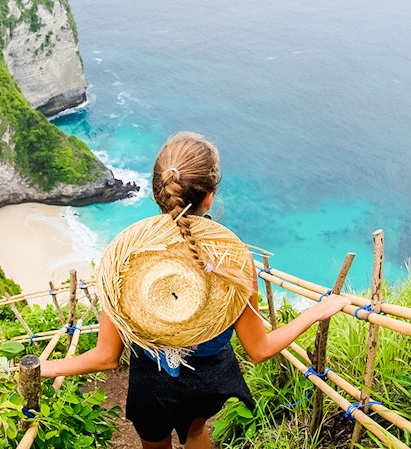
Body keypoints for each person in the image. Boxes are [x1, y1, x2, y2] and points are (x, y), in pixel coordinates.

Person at [40, 132, 351, 449]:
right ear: (210, 197)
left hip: (150, 380)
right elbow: (259, 350)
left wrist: (47, 368)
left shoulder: (125, 259)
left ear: (156, 190)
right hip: (208, 381)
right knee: (196, 432)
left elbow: (106, 357)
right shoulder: (233, 261)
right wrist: (315, 312)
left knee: (153, 438)